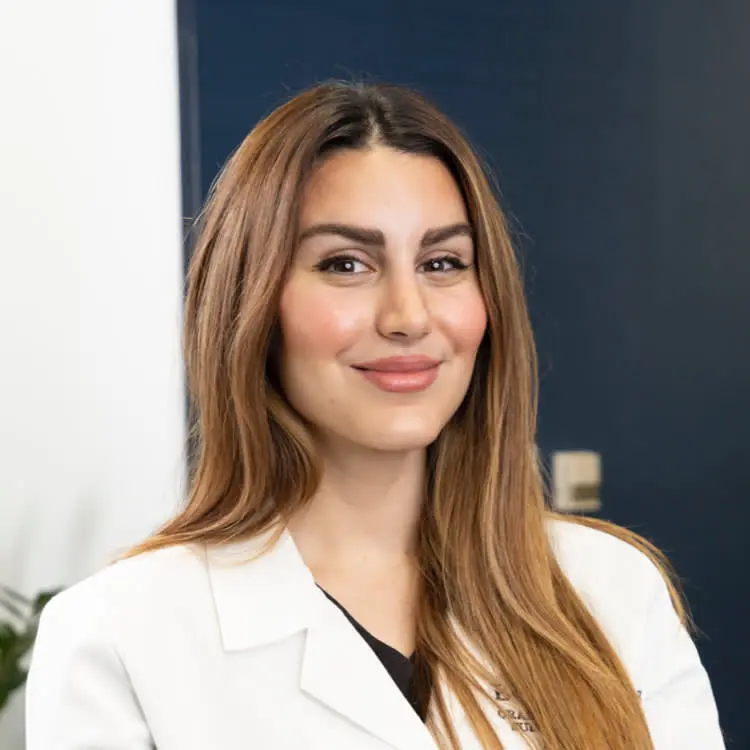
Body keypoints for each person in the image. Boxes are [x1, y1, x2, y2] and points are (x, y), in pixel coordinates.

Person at [25, 82, 723, 750]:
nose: (408, 316)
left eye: (443, 263)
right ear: (252, 303)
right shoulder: (120, 636)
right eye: (346, 265)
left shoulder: (611, 590)